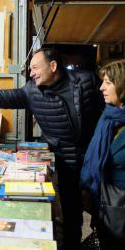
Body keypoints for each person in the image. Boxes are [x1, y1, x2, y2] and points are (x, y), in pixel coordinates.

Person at [0, 47, 103, 250]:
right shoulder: (31, 91)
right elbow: (0, 97)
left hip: (95, 156)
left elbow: (109, 107)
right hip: (64, 161)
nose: (31, 73)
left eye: (35, 67)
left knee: (103, 209)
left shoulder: (86, 81)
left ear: (53, 66)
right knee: (71, 212)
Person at [80, 59, 125, 250]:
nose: (101, 88)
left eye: (108, 82)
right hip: (103, 203)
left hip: (120, 210)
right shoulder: (109, 116)